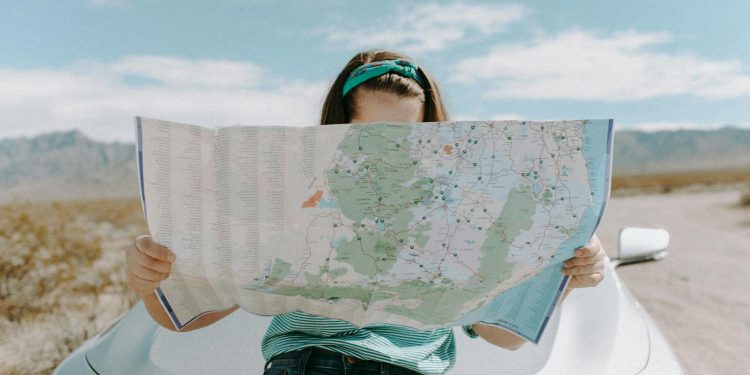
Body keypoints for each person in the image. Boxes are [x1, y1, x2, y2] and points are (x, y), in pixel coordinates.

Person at [126, 50, 607, 375]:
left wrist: (564, 276)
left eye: (406, 137)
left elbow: (502, 338)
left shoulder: (464, 207)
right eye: (368, 136)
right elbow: (186, 318)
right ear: (337, 129)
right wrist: (150, 281)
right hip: (306, 361)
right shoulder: (290, 195)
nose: (386, 152)